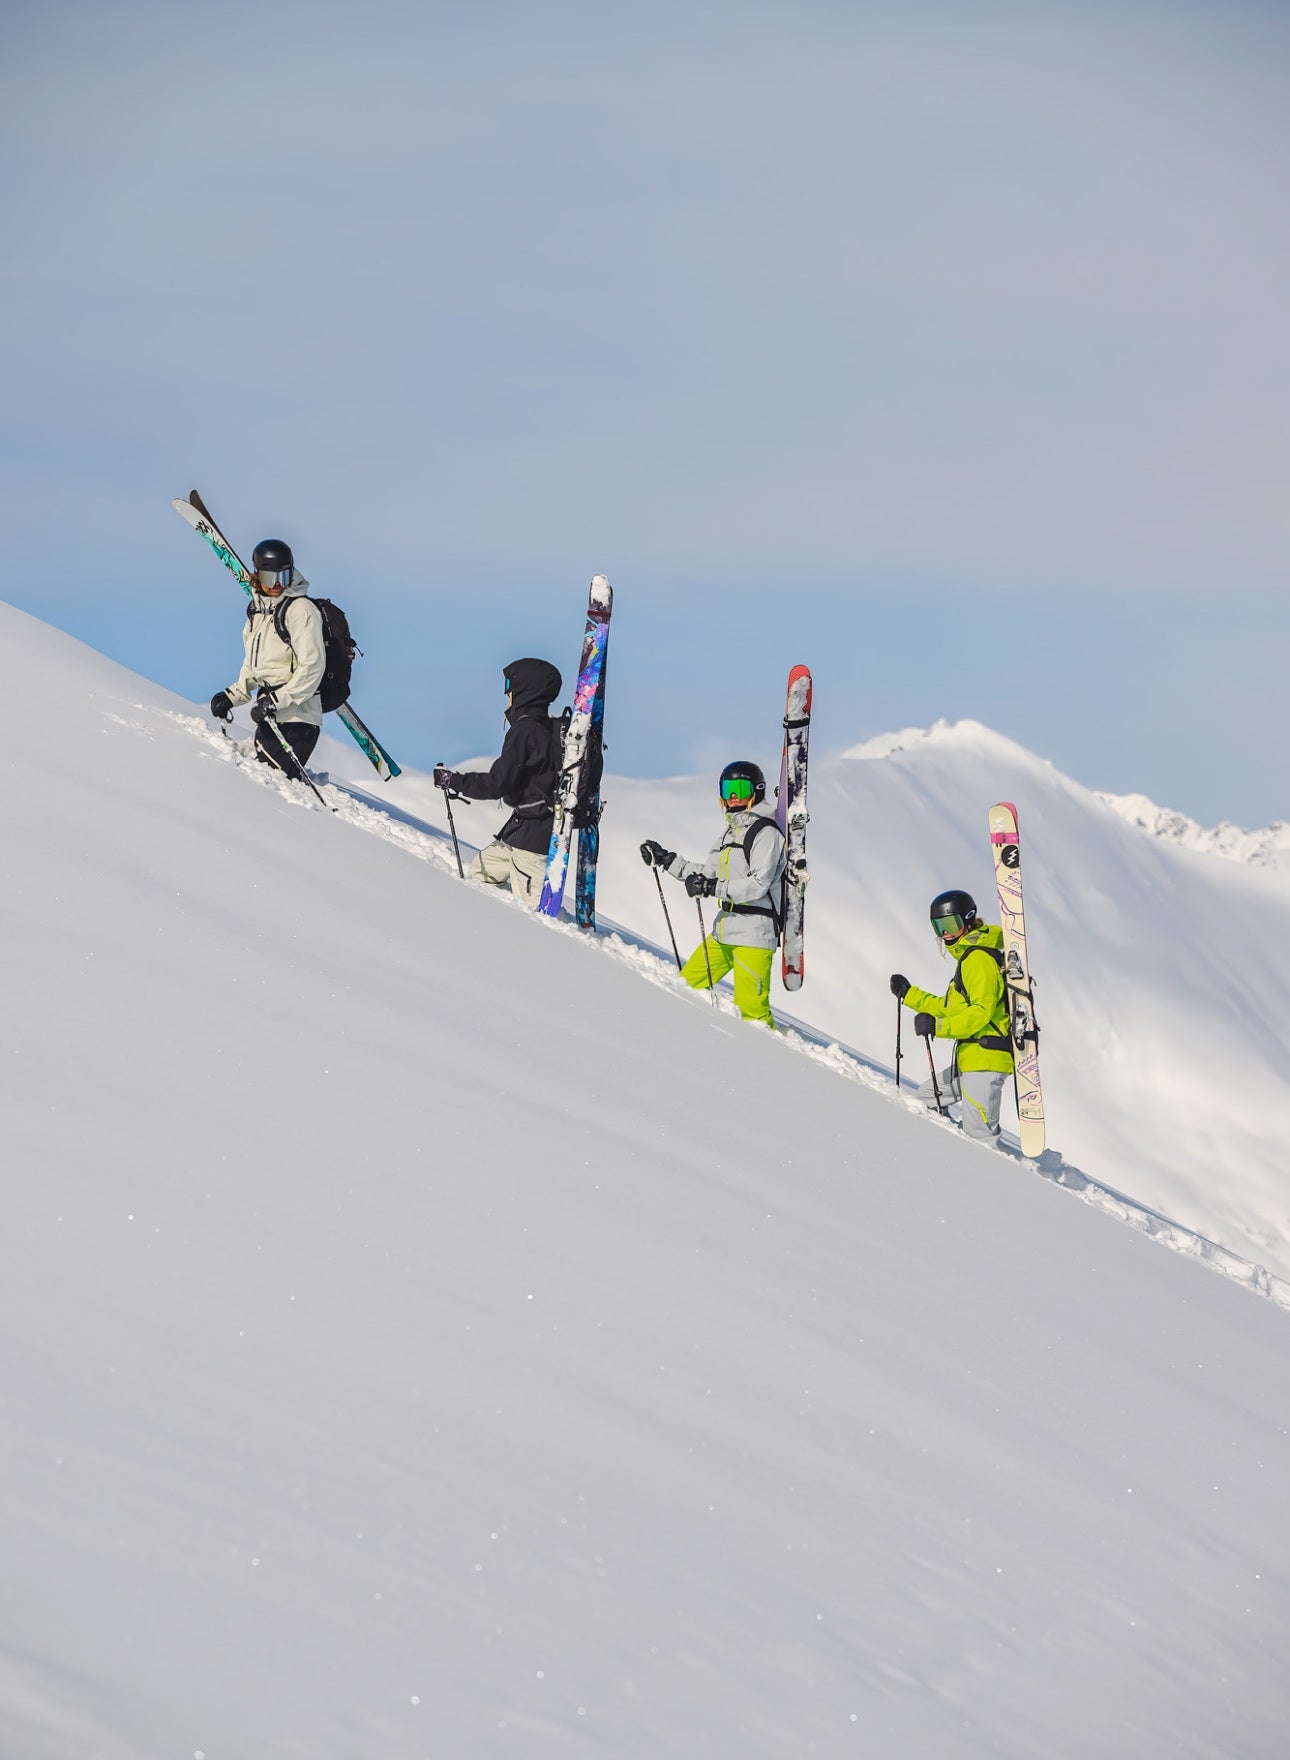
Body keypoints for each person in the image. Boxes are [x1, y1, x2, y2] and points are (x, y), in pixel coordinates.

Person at [641, 760, 786, 1028]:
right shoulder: (729, 834)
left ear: (757, 791)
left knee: (752, 1014)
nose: (732, 797)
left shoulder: (766, 833)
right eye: (727, 788)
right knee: (686, 986)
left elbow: (757, 884)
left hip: (754, 934)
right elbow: (708, 873)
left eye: (740, 788)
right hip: (724, 930)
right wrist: (667, 861)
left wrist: (712, 888)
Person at [433, 658, 563, 908]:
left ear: (526, 691)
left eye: (510, 691)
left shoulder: (525, 731)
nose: (507, 699)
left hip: (532, 847)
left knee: (537, 916)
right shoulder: (546, 729)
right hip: (517, 835)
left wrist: (453, 780)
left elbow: (497, 784)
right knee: (480, 877)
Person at [890, 888, 1014, 1148]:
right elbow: (950, 1007)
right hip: (970, 1059)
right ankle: (947, 1157)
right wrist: (910, 995)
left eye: (949, 923)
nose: (944, 933)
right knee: (924, 1099)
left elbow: (981, 1012)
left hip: (986, 1059)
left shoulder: (978, 958)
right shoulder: (968, 958)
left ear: (967, 920)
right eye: (938, 926)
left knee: (980, 1141)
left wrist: (939, 1027)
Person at [209, 539, 326, 776]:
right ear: (257, 575)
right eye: (269, 578)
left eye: (282, 578)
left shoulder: (301, 610)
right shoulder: (257, 611)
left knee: (270, 783)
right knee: (262, 779)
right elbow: (255, 663)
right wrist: (234, 695)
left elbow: (313, 667)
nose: (276, 586)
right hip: (270, 714)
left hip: (297, 718)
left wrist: (277, 700)